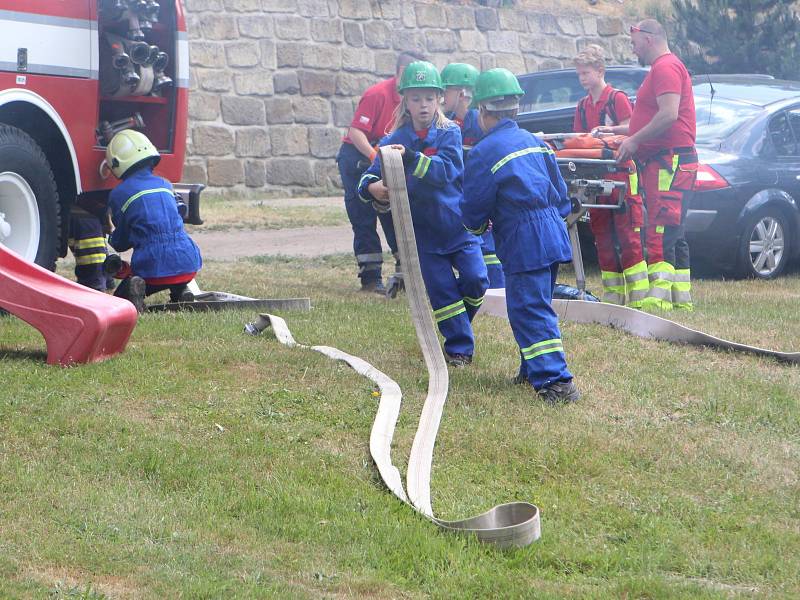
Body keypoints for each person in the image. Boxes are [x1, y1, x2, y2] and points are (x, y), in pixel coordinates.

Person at [357, 61, 488, 366]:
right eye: (416, 99)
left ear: (439, 99)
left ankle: (460, 327)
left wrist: (412, 158)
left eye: (429, 98)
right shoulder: (392, 141)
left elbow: (446, 171)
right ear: (405, 101)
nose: (423, 105)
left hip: (458, 227)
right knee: (443, 294)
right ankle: (459, 350)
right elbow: (366, 179)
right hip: (423, 234)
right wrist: (373, 188)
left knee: (476, 280)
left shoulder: (449, 134)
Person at [461, 68, 579, 404]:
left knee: (528, 309)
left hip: (524, 237)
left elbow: (475, 202)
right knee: (537, 302)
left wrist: (473, 228)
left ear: (484, 112)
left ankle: (556, 380)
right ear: (515, 110)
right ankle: (532, 369)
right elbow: (559, 193)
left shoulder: (484, 152)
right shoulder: (535, 142)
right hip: (553, 232)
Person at [597, 19, 698, 311]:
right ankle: (681, 299)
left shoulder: (665, 68)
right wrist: (616, 132)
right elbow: (650, 119)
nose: (632, 47)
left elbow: (668, 115)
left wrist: (633, 142)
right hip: (670, 158)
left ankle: (659, 299)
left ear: (649, 39)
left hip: (668, 161)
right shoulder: (663, 68)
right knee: (674, 230)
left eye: (634, 41)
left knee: (661, 226)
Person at [336, 51, 425, 294]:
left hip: (386, 154)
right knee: (363, 216)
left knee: (394, 211)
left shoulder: (413, 101)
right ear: (399, 74)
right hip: (358, 156)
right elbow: (356, 132)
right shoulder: (377, 94)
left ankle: (405, 272)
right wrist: (376, 158)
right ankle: (371, 278)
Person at [572, 45, 647, 307]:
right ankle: (613, 297)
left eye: (586, 73)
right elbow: (579, 140)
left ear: (600, 71)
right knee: (602, 235)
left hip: (623, 174)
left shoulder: (616, 98)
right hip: (596, 179)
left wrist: (609, 129)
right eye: (579, 74)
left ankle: (639, 297)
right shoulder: (582, 106)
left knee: (628, 235)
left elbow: (634, 128)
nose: (582, 78)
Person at [105, 129, 202, 313]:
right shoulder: (165, 184)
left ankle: (136, 290)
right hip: (188, 262)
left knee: (120, 298)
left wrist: (112, 240)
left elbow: (122, 240)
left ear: (116, 164)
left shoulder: (119, 194)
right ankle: (181, 293)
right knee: (175, 273)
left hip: (153, 267)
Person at [441, 62, 505, 289]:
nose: (441, 95)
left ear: (462, 93)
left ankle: (497, 288)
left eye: (446, 90)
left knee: (488, 246)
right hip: (463, 194)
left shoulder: (479, 122)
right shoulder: (448, 123)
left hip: (482, 193)